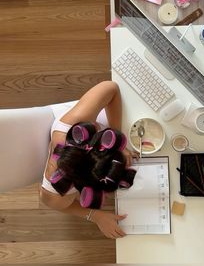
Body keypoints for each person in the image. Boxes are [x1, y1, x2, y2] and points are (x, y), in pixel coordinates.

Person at [40, 81, 138, 239]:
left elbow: (110, 87)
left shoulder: (74, 124)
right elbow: (58, 205)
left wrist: (120, 142)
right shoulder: (54, 195)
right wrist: (96, 216)